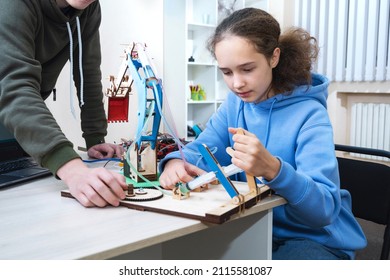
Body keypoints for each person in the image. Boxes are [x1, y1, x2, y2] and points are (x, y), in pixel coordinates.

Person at [158, 8, 367, 259]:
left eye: (247, 69)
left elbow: (324, 210)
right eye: (227, 72)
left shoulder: (310, 115)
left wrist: (273, 170)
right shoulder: (236, 105)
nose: (236, 83)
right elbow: (202, 149)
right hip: (254, 226)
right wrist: (174, 163)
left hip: (314, 240)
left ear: (274, 57)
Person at [0, 0, 127, 207]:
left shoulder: (89, 9)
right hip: (14, 102)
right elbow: (15, 86)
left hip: (19, 119)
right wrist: (73, 170)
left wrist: (95, 138)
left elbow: (88, 73)